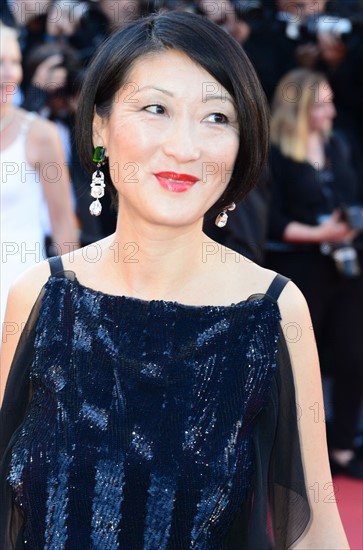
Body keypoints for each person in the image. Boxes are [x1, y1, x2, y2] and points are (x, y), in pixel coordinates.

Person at [0, 12, 349, 549]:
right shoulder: (42, 297)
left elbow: (314, 529)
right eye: (155, 109)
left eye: (216, 118)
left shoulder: (272, 309)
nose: (185, 147)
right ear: (100, 127)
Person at [265, 68, 363, 479]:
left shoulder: (338, 145)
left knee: (353, 358)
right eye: (321, 103)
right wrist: (320, 232)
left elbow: (350, 197)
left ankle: (342, 447)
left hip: (346, 267)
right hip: (299, 269)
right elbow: (271, 222)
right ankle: (295, 455)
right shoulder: (275, 155)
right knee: (299, 365)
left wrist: (349, 222)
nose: (331, 110)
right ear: (299, 108)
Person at [0, 24, 79, 330]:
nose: (9, 73)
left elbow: (63, 224)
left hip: (20, 294)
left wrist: (69, 299)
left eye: (14, 62)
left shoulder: (40, 135)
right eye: (0, 62)